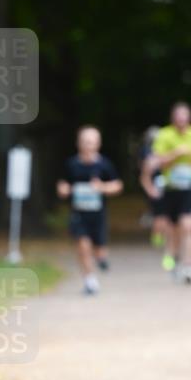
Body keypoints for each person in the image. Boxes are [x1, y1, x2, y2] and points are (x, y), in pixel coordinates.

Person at [57, 126, 123, 295]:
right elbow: (63, 184)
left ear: (98, 144)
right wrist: (64, 189)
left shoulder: (104, 165)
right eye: (85, 142)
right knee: (83, 246)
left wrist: (102, 187)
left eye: (91, 142)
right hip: (78, 214)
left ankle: (101, 257)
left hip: (98, 214)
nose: (88, 145)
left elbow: (117, 185)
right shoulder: (71, 164)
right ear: (78, 143)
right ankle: (90, 281)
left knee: (99, 248)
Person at [152, 102, 191, 284]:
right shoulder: (164, 134)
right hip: (170, 188)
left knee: (188, 225)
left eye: (185, 115)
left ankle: (189, 265)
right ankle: (173, 257)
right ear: (173, 117)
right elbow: (158, 162)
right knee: (173, 229)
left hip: (190, 187)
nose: (182, 119)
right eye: (178, 115)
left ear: (189, 117)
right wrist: (176, 154)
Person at [138, 126, 174, 268]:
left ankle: (169, 251)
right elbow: (144, 173)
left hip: (170, 189)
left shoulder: (169, 151)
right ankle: (158, 238)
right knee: (160, 218)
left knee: (169, 220)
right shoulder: (148, 153)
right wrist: (149, 189)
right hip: (157, 189)